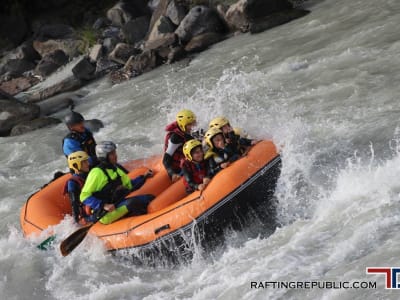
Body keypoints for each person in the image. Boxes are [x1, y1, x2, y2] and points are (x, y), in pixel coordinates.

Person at [80, 141, 154, 225]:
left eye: (114, 152)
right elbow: (84, 196)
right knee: (133, 202)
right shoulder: (96, 173)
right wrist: (104, 205)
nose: (115, 156)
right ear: (104, 157)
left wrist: (144, 177)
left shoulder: (116, 170)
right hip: (104, 214)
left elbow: (130, 186)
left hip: (118, 205)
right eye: (111, 154)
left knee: (149, 198)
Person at [163, 109, 196, 182]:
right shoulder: (175, 138)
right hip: (178, 168)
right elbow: (165, 160)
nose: (193, 126)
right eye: (190, 124)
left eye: (193, 123)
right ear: (182, 125)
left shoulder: (187, 130)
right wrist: (172, 174)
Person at [64, 151, 91, 224]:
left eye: (87, 161)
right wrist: (77, 220)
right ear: (76, 165)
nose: (88, 164)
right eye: (84, 162)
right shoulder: (72, 183)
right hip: (87, 212)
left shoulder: (90, 175)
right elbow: (74, 203)